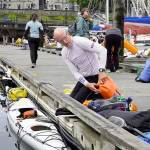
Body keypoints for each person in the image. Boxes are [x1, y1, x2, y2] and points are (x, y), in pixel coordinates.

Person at [53, 28, 107, 103]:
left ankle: (98, 97)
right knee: (70, 102)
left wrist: (102, 71)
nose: (65, 41)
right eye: (61, 41)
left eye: (65, 38)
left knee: (76, 104)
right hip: (85, 79)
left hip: (96, 76)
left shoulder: (80, 41)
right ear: (58, 41)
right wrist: (87, 84)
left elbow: (102, 50)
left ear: (68, 34)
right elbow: (75, 73)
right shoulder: (64, 53)